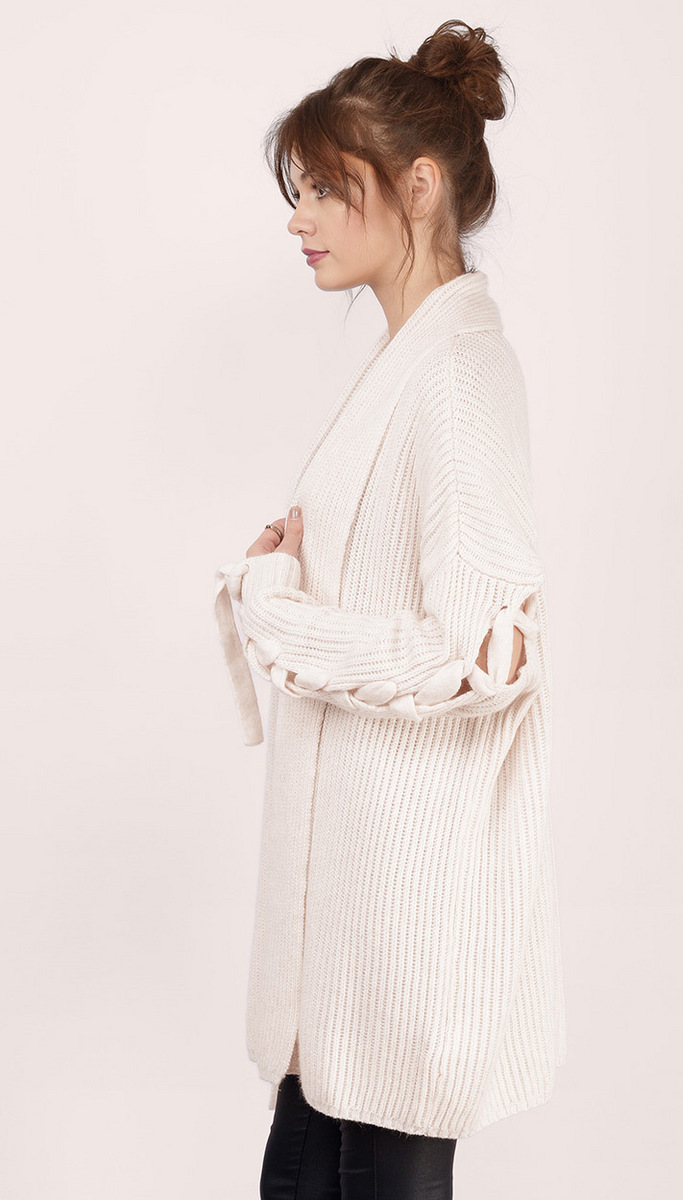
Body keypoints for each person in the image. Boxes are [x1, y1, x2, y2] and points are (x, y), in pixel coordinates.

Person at [213, 18, 567, 1199]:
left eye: (326, 186)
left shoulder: (457, 375)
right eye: (301, 189)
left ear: (415, 187)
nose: (298, 217)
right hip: (350, 928)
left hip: (401, 921)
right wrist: (292, 582)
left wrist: (279, 612)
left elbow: (489, 656)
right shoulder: (409, 363)